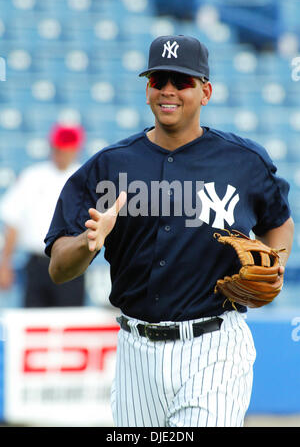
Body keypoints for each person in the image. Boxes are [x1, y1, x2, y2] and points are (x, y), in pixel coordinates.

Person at [44, 35, 294, 427]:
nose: (169, 91)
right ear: (147, 89)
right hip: (134, 353)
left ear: (205, 91)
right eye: (159, 80)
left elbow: (279, 222)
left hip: (214, 348)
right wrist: (88, 242)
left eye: (182, 82)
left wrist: (275, 262)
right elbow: (59, 268)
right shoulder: (109, 167)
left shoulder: (243, 161)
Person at [0, 123, 86, 307]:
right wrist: (5, 263)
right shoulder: (33, 176)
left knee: (69, 323)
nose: (61, 154)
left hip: (71, 263)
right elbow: (13, 221)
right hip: (37, 263)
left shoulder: (85, 177)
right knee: (34, 322)